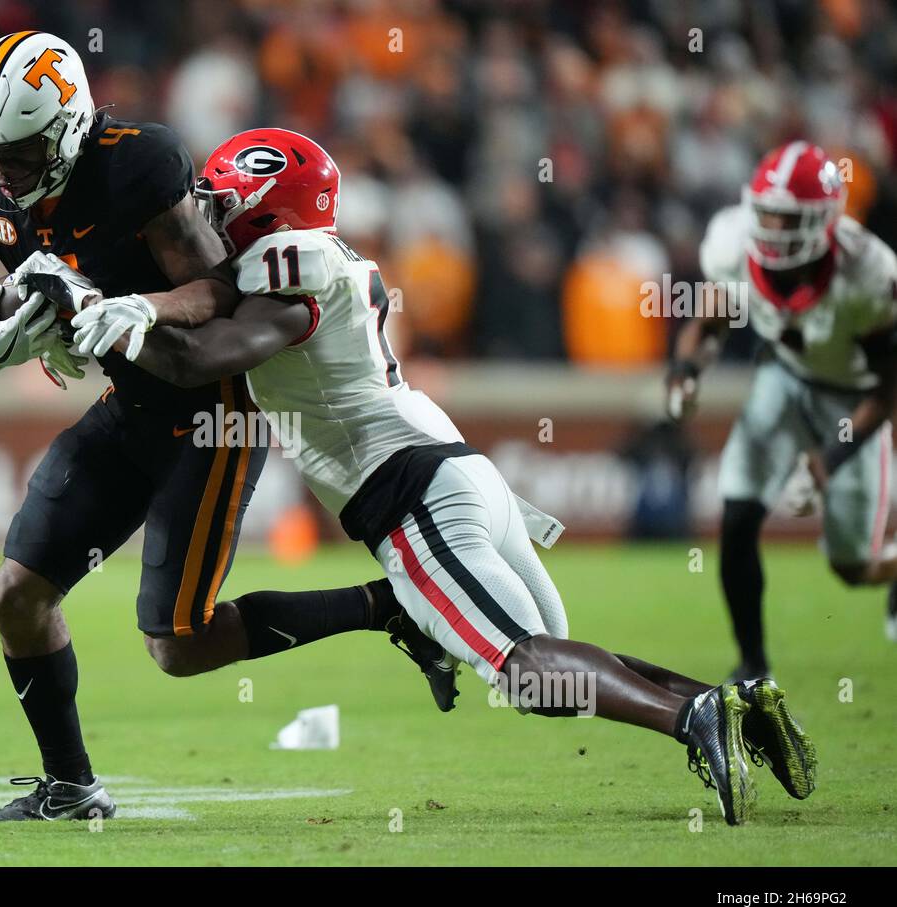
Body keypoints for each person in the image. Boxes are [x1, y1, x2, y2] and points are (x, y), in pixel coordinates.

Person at [69, 127, 819, 825]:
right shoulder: (324, 259)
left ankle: (690, 721)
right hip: (456, 475)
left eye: (223, 200)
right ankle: (725, 702)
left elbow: (208, 356)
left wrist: (115, 322)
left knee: (527, 669)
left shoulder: (284, 261)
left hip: (410, 496)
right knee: (548, 675)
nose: (205, 213)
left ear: (269, 211)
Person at [0, 34, 450, 823]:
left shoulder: (137, 163)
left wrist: (132, 307)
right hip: (129, 404)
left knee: (178, 643)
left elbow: (214, 290)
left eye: (20, 154)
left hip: (210, 409)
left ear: (68, 129)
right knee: (15, 595)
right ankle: (71, 788)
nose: (1, 173)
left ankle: (391, 609)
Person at [668, 141, 897, 679]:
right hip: (783, 377)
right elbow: (708, 321)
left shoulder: (868, 273)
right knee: (738, 512)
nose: (771, 227)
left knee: (852, 567)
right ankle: (752, 665)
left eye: (786, 217)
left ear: (823, 220)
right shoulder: (731, 241)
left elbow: (889, 389)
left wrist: (828, 460)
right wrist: (685, 372)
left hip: (852, 396)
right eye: (766, 212)